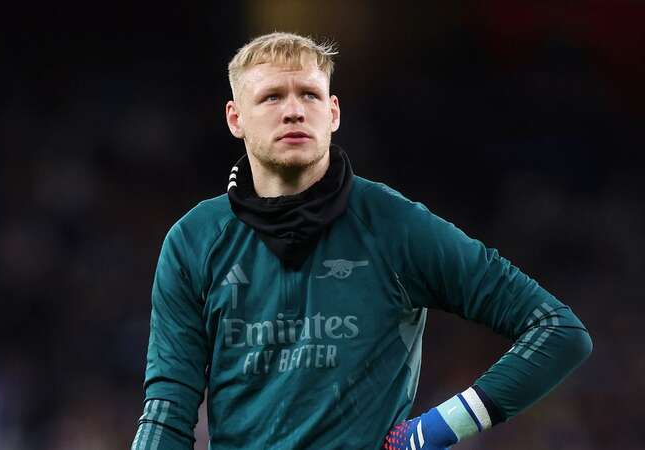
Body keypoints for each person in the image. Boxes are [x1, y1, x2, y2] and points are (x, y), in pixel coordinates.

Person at [130, 32, 592, 450]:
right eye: (271, 97)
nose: (294, 109)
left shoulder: (394, 224)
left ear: (332, 113)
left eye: (309, 94)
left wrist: (437, 428)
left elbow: (558, 330)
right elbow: (168, 409)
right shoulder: (194, 239)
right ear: (235, 119)